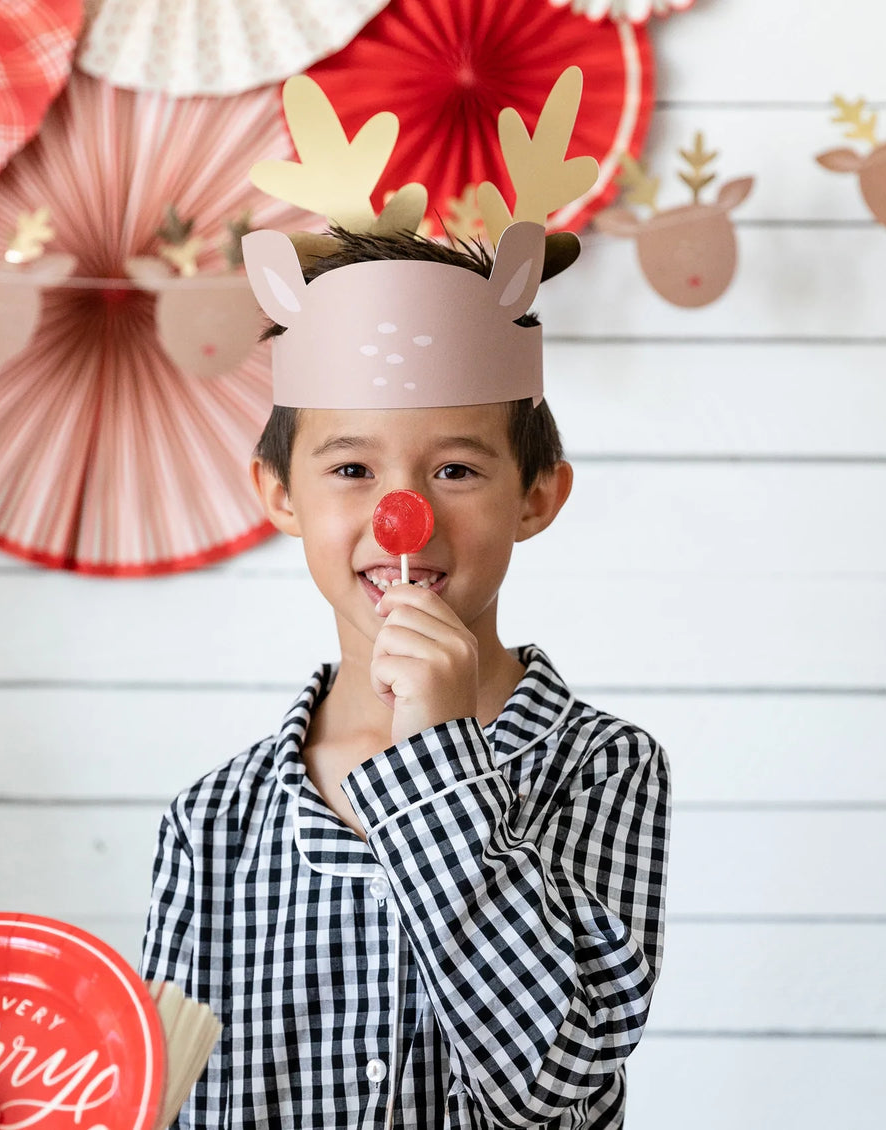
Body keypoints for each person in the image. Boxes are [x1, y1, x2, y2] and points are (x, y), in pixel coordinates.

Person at [141, 71, 670, 1129]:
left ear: (539, 496)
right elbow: (166, 1100)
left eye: (457, 471)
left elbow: (553, 1087)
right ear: (278, 496)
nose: (404, 519)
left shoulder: (605, 765)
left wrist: (430, 754)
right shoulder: (213, 821)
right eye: (351, 472)